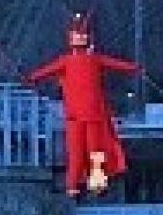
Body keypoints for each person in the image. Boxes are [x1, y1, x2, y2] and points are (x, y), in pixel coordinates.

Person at [24, 13, 140, 196]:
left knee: (78, 152)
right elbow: (117, 64)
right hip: (91, 114)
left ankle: (73, 185)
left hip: (76, 116)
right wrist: (134, 68)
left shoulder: (67, 61)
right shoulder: (93, 59)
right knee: (94, 151)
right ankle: (94, 184)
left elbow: (44, 71)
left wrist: (31, 78)